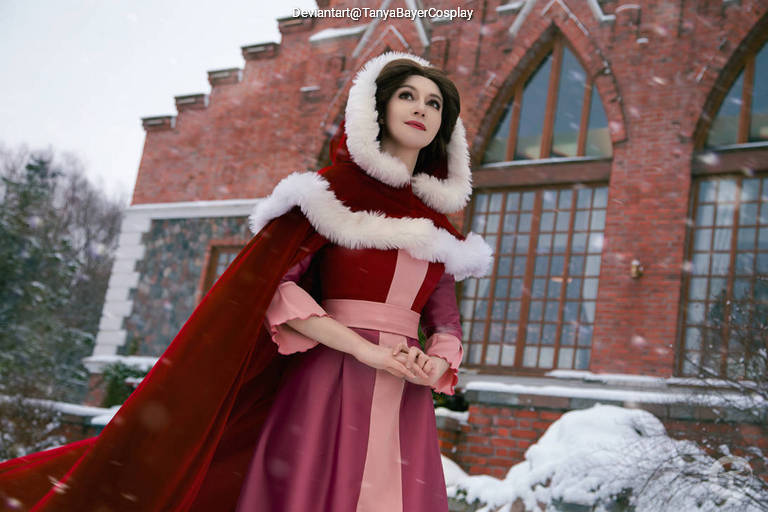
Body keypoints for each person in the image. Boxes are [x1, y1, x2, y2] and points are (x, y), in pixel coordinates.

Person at [0, 51, 492, 511]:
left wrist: (434, 363)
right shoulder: (329, 194)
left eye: (434, 103)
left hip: (403, 393)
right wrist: (363, 348)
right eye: (407, 95)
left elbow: (445, 322)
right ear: (377, 108)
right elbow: (277, 289)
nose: (421, 109)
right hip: (327, 382)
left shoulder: (439, 229)